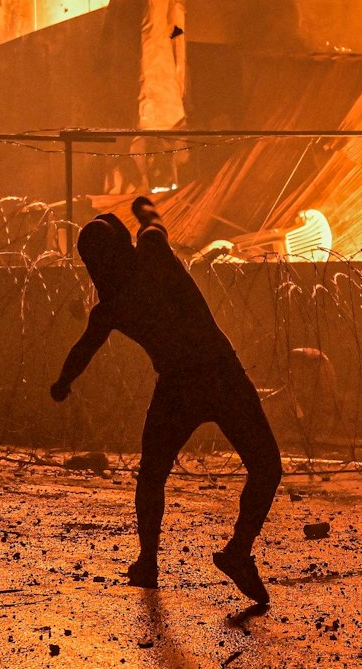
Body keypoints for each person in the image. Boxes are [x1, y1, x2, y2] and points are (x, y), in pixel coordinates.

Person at [50, 197, 282, 604]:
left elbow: (82, 350)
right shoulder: (153, 254)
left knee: (152, 476)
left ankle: (148, 563)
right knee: (265, 466)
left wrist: (62, 383)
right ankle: (239, 551)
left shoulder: (111, 308)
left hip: (176, 387)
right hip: (220, 372)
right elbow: (154, 223)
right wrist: (142, 210)